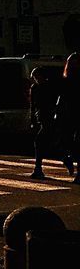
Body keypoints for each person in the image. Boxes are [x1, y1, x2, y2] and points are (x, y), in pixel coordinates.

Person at [29, 65, 61, 180]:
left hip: (49, 118)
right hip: (41, 118)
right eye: (34, 77)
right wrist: (33, 120)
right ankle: (38, 169)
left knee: (40, 142)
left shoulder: (49, 87)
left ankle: (38, 168)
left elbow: (54, 103)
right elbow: (33, 106)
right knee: (43, 143)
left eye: (37, 76)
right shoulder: (34, 88)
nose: (36, 79)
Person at [56, 53, 80, 184]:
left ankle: (77, 171)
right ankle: (68, 159)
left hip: (71, 115)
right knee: (65, 143)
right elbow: (61, 99)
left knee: (75, 143)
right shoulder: (65, 81)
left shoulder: (67, 81)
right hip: (68, 115)